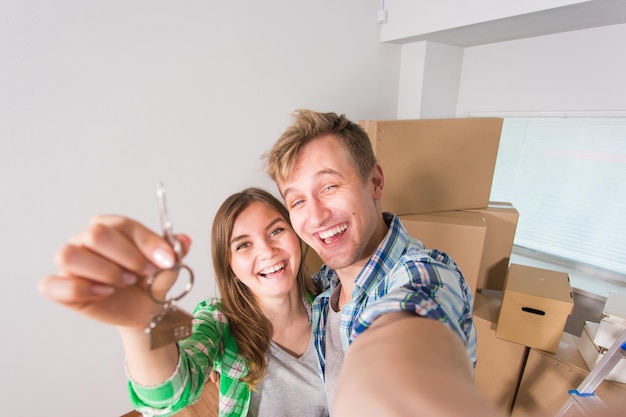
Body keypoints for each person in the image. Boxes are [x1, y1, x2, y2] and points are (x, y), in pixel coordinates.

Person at [264, 110, 506, 417]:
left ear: (375, 182)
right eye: (297, 201)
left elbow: (406, 330)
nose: (315, 217)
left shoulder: (425, 272)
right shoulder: (326, 285)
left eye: (329, 187)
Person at [38, 187, 328, 417]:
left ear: (296, 234)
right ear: (230, 267)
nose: (266, 251)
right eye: (243, 244)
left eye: (276, 230)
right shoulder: (218, 321)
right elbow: (170, 395)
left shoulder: (329, 299)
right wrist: (141, 326)